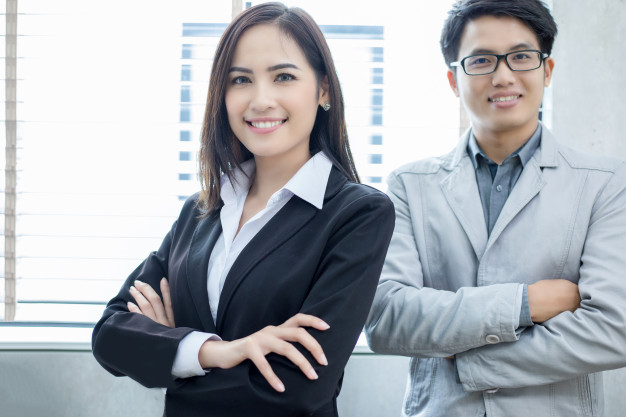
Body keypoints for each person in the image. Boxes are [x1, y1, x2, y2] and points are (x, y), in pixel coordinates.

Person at [91, 3, 395, 416]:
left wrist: (173, 358)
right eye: (241, 80)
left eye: (284, 76)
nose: (261, 99)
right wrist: (218, 352)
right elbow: (109, 336)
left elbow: (297, 389)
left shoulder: (358, 215)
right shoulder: (199, 213)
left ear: (323, 89)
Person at [365, 0, 626, 416]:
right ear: (453, 79)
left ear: (547, 70)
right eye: (482, 60)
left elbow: (614, 329)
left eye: (521, 57)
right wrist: (528, 302)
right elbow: (387, 320)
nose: (503, 76)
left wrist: (469, 359)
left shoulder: (606, 184)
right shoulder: (407, 185)